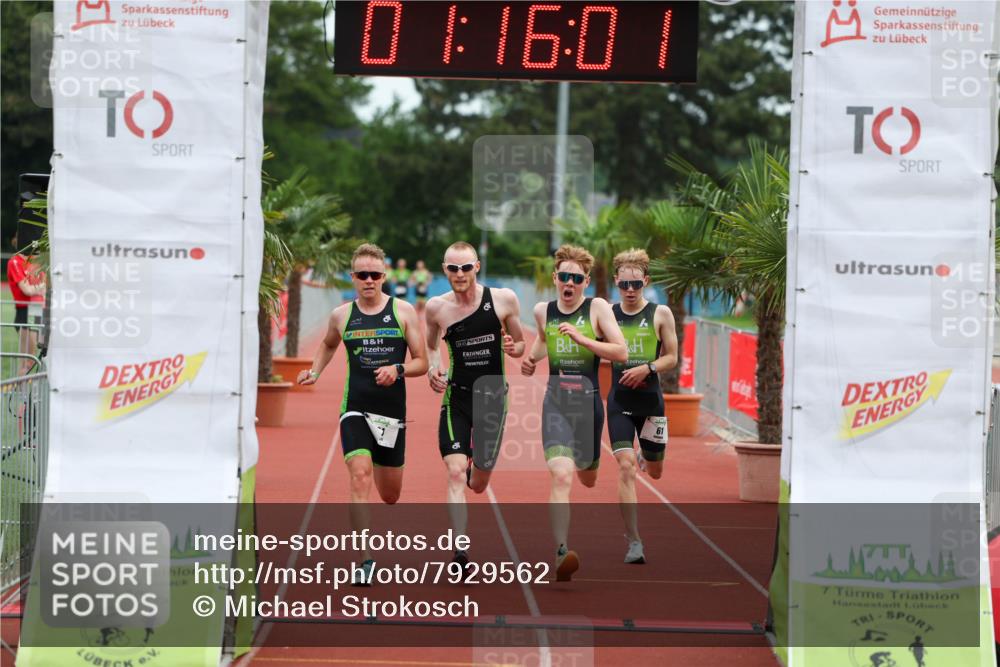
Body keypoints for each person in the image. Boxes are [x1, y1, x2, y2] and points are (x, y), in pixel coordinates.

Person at [298, 243, 428, 585]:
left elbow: (421, 362)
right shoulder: (342, 316)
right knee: (359, 476)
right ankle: (365, 558)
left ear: (384, 276)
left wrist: (397, 369)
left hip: (390, 414)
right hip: (354, 408)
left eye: (374, 274)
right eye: (361, 275)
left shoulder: (403, 312)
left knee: (389, 495)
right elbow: (327, 344)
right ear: (353, 277)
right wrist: (315, 371)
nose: (368, 280)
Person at [521, 245, 626, 581]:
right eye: (563, 277)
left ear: (585, 283)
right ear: (555, 278)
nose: (569, 283)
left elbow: (621, 351)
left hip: (589, 405)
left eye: (576, 278)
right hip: (556, 404)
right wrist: (531, 358)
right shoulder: (543, 310)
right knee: (561, 475)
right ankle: (561, 551)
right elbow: (541, 340)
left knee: (587, 476)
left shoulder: (597, 308)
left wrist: (584, 340)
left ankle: (590, 462)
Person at [425, 242, 525, 572]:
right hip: (457, 398)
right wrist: (433, 367)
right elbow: (430, 347)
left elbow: (520, 343)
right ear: (445, 270)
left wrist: (513, 346)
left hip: (493, 399)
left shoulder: (504, 300)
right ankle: (460, 552)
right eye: (453, 268)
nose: (460, 274)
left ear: (477, 267)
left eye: (466, 267)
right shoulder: (436, 308)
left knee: (477, 484)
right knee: (454, 473)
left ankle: (476, 469)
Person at [607, 249, 677, 564]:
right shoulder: (607, 314)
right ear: (616, 283)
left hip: (651, 402)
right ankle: (634, 541)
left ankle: (645, 455)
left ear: (646, 281)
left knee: (657, 472)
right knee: (624, 468)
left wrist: (647, 368)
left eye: (636, 284)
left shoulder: (660, 314)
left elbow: (672, 357)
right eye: (625, 285)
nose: (631, 291)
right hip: (619, 402)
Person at [6, 235, 46, 374]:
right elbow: (27, 290)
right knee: (28, 361)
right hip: (25, 313)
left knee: (38, 359)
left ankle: (30, 393)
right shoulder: (15, 261)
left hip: (39, 311)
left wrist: (42, 288)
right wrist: (41, 287)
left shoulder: (38, 261)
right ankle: (21, 393)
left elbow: (45, 289)